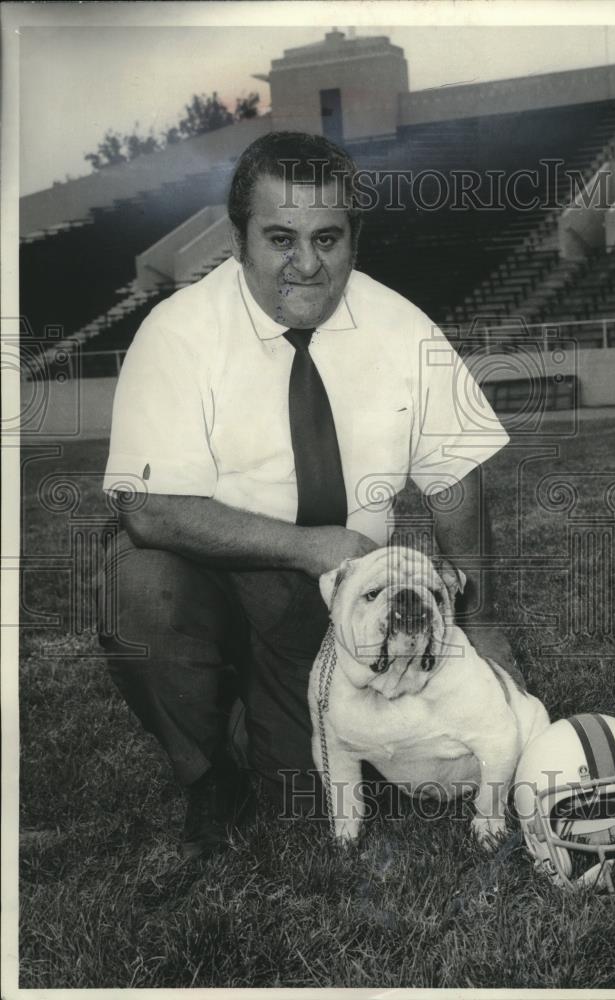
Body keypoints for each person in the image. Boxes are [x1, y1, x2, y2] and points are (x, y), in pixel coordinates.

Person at [100, 131, 512, 859]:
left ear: (356, 238)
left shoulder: (400, 326)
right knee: (142, 591)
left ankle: (262, 717)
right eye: (280, 238)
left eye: (328, 237)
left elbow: (455, 474)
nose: (307, 263)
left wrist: (481, 622)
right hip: (212, 569)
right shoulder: (178, 331)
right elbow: (148, 507)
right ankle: (209, 776)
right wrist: (310, 545)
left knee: (303, 800)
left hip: (334, 599)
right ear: (238, 240)